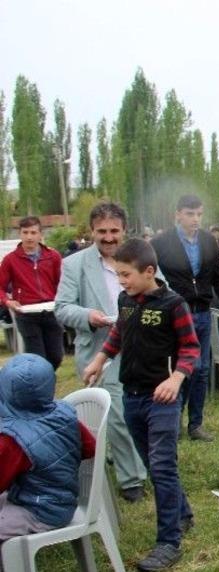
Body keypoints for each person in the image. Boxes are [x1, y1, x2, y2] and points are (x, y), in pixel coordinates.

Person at [82, 239, 197, 572]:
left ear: (149, 272)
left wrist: (175, 379)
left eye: (126, 275)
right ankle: (183, 513)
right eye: (118, 275)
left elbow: (190, 348)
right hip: (132, 396)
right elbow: (119, 332)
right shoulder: (126, 300)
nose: (121, 282)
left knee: (162, 465)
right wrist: (100, 359)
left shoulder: (173, 305)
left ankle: (168, 542)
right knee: (152, 462)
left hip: (161, 399)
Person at [0, 354, 97, 572]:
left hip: (41, 510)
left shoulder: (14, 439)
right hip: (58, 498)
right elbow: (90, 448)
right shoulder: (65, 413)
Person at [55, 201, 149, 503]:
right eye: (102, 231)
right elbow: (62, 308)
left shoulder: (141, 258)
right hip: (101, 351)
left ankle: (130, 459)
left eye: (114, 231)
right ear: (91, 232)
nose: (108, 237)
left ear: (124, 230)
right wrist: (87, 316)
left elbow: (163, 291)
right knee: (118, 414)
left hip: (140, 348)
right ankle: (132, 478)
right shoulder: (74, 265)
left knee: (137, 413)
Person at [151, 194, 219, 442]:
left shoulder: (210, 242)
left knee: (201, 371)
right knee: (184, 368)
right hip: (177, 314)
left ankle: (196, 424)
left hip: (203, 312)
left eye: (199, 214)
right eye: (190, 214)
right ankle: (175, 419)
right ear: (178, 214)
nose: (195, 219)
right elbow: (154, 278)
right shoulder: (161, 243)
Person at [0, 216, 65, 369]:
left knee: (56, 356)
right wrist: (8, 301)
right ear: (20, 234)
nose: (29, 237)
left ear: (40, 234)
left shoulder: (53, 257)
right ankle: (43, 387)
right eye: (25, 232)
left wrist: (62, 300)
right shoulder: (10, 260)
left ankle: (47, 381)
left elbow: (62, 283)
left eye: (33, 232)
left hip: (51, 311)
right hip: (26, 313)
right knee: (38, 358)